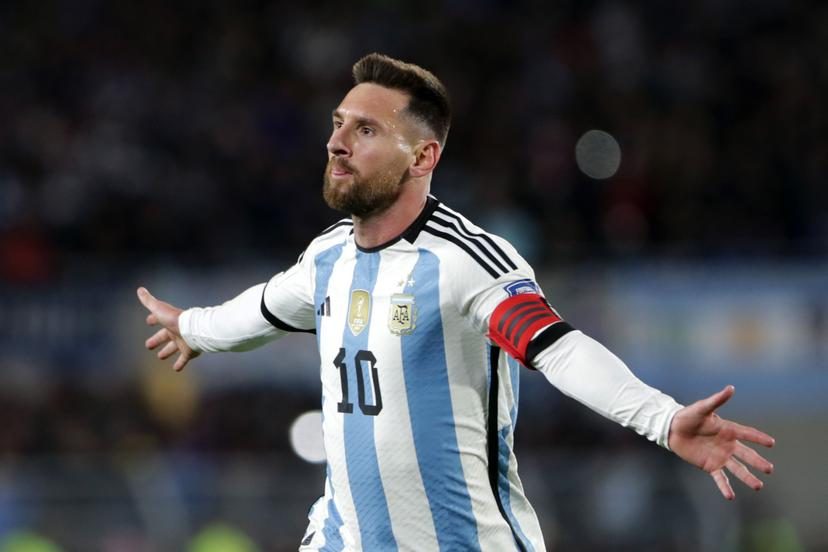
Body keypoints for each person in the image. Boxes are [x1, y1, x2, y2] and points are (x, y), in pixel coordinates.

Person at [136, 53, 775, 551]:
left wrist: (661, 419)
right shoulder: (327, 258)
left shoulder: (464, 262)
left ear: (423, 156)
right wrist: (193, 327)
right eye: (337, 125)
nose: (337, 143)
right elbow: (259, 310)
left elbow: (556, 348)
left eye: (364, 130)